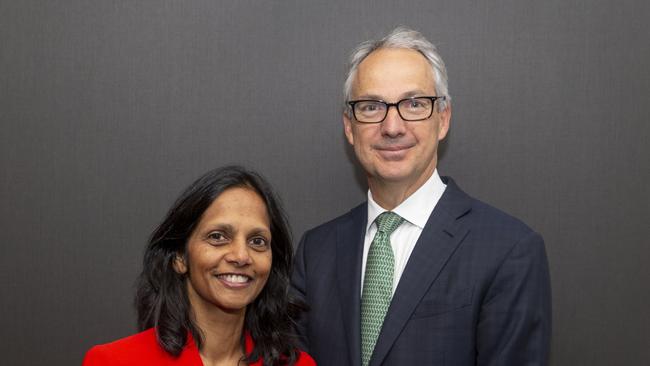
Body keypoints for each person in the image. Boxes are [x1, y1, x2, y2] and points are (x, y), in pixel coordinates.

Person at [291, 27, 551, 365]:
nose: (392, 126)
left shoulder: (509, 250)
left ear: (443, 119)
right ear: (349, 127)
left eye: (414, 104)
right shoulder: (317, 252)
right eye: (371, 107)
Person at [84, 166, 315, 366]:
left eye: (257, 241)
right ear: (180, 257)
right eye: (217, 236)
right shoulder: (115, 361)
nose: (241, 256)